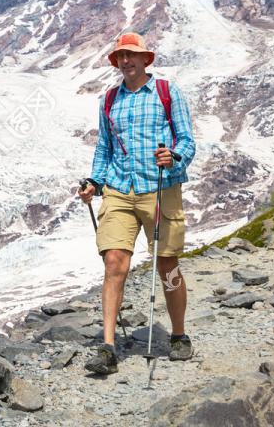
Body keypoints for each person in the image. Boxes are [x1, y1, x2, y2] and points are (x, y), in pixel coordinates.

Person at [78, 32, 196, 374]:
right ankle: (108, 347)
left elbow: (186, 140)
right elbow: (105, 148)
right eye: (120, 57)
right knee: (114, 261)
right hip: (119, 188)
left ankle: (178, 335)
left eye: (131, 55)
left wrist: (172, 157)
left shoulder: (167, 92)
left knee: (167, 263)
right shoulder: (109, 99)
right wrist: (94, 182)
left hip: (160, 187)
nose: (125, 61)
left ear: (146, 59)